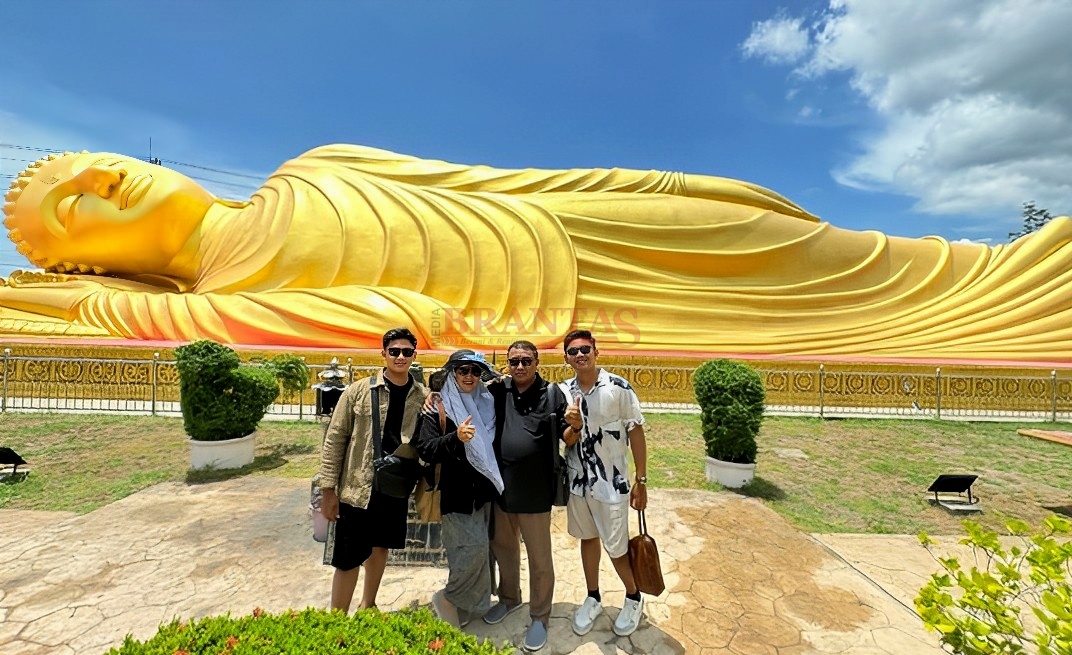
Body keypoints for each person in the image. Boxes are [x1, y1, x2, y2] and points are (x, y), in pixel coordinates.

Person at [5, 145, 1072, 359]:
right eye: (79, 207)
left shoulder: (309, 161)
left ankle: (1020, 272)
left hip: (607, 222)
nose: (106, 182)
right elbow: (407, 325)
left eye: (97, 164)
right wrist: (104, 314)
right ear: (84, 265)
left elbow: (493, 183)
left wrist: (655, 181)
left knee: (875, 255)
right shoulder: (226, 294)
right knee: (891, 310)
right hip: (574, 301)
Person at [318, 327, 428, 612]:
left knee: (380, 546)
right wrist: (328, 490)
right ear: (384, 354)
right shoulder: (358, 391)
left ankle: (369, 604)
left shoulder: (422, 396)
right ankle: (337, 617)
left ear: (414, 355)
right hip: (358, 486)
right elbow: (335, 438)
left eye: (406, 352)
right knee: (347, 556)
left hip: (394, 485)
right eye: (394, 351)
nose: (400, 357)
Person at [558, 329, 649, 637]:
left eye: (585, 349)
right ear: (566, 357)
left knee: (617, 546)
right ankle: (593, 595)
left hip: (612, 483)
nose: (580, 355)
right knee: (588, 539)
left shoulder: (618, 388)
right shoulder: (563, 392)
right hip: (579, 482)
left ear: (596, 351)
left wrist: (642, 479)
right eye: (573, 351)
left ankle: (634, 596)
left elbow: (635, 432)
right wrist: (574, 426)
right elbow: (566, 439)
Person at [483, 340, 568, 652]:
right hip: (501, 487)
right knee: (503, 547)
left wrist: (574, 427)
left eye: (526, 361)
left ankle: (540, 615)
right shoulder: (497, 391)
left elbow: (565, 434)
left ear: (537, 362)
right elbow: (459, 389)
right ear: (507, 363)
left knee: (539, 557)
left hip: (535, 490)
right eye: (514, 361)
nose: (520, 367)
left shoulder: (552, 394)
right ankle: (509, 598)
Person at [412, 350, 502, 628]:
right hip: (456, 495)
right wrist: (456, 437)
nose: (469, 376)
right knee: (469, 552)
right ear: (452, 373)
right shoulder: (438, 406)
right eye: (463, 370)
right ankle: (448, 598)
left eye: (475, 371)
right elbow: (424, 446)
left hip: (482, 495)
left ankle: (468, 608)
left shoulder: (486, 402)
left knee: (481, 552)